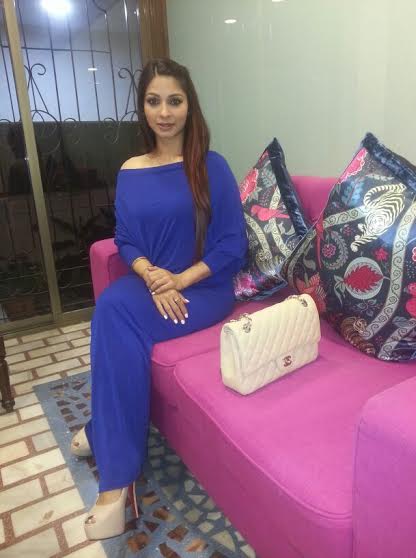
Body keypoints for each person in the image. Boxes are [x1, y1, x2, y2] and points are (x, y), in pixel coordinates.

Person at [70, 58, 248, 540]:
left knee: (113, 314)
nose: (164, 112)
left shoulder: (210, 165)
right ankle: (110, 441)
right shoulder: (130, 170)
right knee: (112, 309)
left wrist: (181, 280)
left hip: (203, 289)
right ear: (143, 107)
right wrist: (150, 274)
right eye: (154, 101)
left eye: (175, 101)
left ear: (190, 106)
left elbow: (232, 245)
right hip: (152, 284)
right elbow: (126, 239)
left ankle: (115, 477)